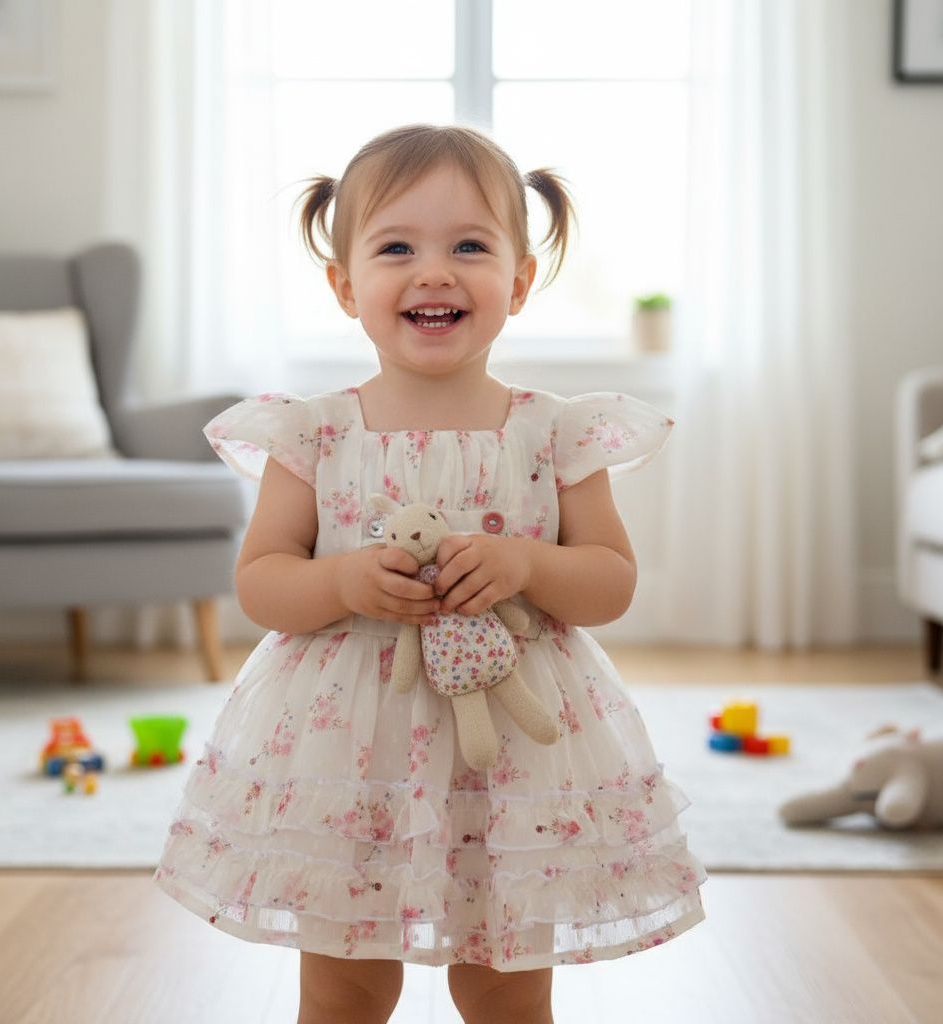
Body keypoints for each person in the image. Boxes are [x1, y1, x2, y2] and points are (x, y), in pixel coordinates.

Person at [154, 122, 706, 1024]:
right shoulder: (313, 434)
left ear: (519, 282)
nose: (435, 273)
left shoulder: (554, 433)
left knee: (505, 988)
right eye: (397, 248)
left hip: (515, 758)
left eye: (471, 247)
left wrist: (526, 561)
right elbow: (261, 583)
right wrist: (341, 583)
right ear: (345, 286)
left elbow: (609, 582)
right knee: (344, 988)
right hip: (350, 754)